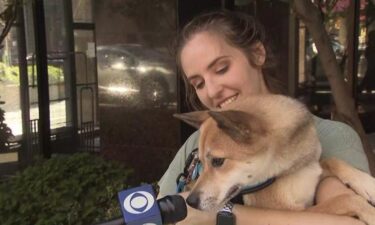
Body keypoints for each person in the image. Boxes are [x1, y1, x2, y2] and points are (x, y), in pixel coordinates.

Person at [158, 10, 370, 225]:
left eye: (221, 69)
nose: (212, 91)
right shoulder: (197, 143)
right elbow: (157, 214)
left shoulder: (330, 136)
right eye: (199, 84)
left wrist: (225, 214)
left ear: (258, 53)